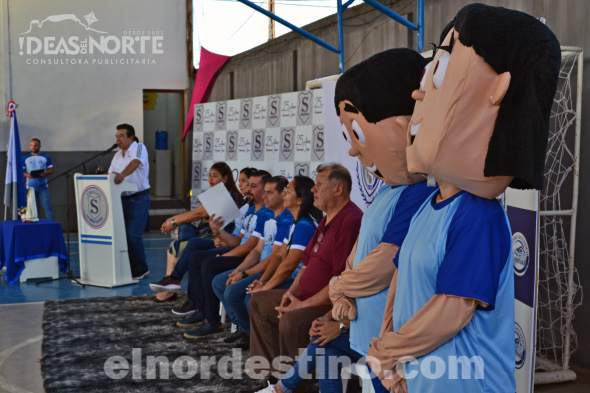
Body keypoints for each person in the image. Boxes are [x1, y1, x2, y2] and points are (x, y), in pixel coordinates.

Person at [367, 5, 560, 393]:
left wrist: (390, 351)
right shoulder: (426, 204)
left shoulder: (477, 216)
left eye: (438, 73)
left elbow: (452, 310)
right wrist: (386, 346)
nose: (419, 92)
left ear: (497, 92)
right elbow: (400, 281)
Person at [255, 48, 433, 393]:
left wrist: (338, 290)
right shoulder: (386, 192)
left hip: (389, 335)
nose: (353, 150)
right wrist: (343, 303)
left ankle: (283, 387)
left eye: (359, 135)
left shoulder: (418, 193)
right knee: (324, 348)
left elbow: (385, 260)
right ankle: (284, 386)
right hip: (363, 324)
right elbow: (359, 256)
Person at [248, 163, 362, 383]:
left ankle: (295, 386)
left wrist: (301, 305)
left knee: (291, 320)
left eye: (319, 185)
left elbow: (340, 282)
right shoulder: (327, 218)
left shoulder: (350, 220)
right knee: (259, 302)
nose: (313, 190)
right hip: (305, 297)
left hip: (327, 304)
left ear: (338, 190)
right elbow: (307, 265)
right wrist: (290, 294)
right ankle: (272, 376)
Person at [213, 176, 323, 348]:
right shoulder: (296, 223)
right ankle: (253, 336)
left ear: (300, 200)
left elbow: (288, 265)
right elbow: (279, 256)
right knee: (239, 292)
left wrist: (265, 286)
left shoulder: (304, 225)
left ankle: (267, 345)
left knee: (252, 300)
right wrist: (263, 281)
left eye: (288, 191)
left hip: (298, 282)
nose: (285, 194)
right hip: (289, 277)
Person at [174, 170, 274, 328]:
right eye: (247, 185)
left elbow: (250, 247)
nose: (247, 189)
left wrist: (223, 257)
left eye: (252, 186)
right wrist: (218, 234)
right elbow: (239, 241)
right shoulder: (249, 209)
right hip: (244, 253)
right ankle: (201, 308)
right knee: (196, 256)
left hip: (247, 257)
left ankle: (212, 320)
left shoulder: (266, 214)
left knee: (208, 263)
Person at [211, 176, 292, 347]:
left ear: (282, 195)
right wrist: (238, 270)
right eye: (265, 192)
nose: (265, 197)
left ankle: (252, 334)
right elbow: (257, 250)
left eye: (270, 193)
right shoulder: (269, 216)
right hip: (261, 267)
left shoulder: (286, 220)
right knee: (219, 282)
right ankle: (244, 328)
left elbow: (275, 258)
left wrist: (246, 273)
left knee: (234, 293)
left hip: (273, 271)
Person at [151, 162, 243, 302]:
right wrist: (174, 219)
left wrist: (174, 222)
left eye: (215, 176)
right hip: (211, 235)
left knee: (180, 246)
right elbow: (197, 213)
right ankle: (169, 288)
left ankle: (170, 288)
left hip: (220, 238)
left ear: (225, 179)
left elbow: (198, 214)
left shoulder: (226, 194)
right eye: (210, 175)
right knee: (174, 246)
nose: (211, 179)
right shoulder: (219, 193)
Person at [108, 123, 151, 279]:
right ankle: (128, 267)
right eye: (116, 136)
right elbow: (111, 174)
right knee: (122, 235)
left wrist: (122, 175)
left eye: (121, 135)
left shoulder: (139, 147)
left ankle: (141, 268)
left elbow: (135, 163)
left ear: (130, 137)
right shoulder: (117, 155)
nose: (118, 139)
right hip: (121, 199)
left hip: (138, 198)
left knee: (133, 234)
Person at [23, 138, 54, 221]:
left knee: (47, 208)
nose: (33, 147)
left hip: (43, 187)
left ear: (40, 146)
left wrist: (45, 173)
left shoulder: (45, 157)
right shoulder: (25, 157)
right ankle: (38, 229)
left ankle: (51, 228)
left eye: (35, 145)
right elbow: (20, 172)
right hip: (30, 188)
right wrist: (27, 175)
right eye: (31, 145)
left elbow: (51, 170)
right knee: (34, 211)